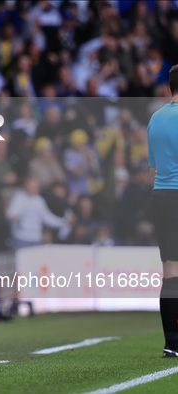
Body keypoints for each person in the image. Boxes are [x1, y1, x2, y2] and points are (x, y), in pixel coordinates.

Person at [147, 64, 178, 358]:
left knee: (170, 270)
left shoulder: (155, 119)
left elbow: (155, 163)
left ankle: (172, 343)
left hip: (161, 196)